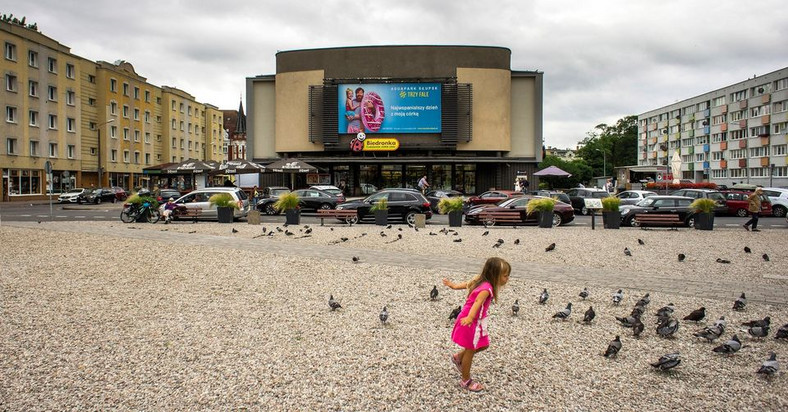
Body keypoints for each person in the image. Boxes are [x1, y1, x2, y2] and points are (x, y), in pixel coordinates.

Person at [443, 257, 511, 392]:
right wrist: (470, 318)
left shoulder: (480, 280)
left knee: (484, 344)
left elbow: (466, 284)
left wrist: (453, 285)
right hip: (471, 321)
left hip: (475, 320)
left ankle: (458, 357)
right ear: (495, 275)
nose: (507, 279)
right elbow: (477, 303)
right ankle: (466, 380)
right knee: (471, 349)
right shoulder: (486, 288)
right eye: (505, 276)